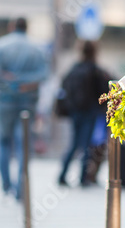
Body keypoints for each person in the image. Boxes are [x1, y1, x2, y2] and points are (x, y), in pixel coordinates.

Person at [0, 17, 48, 200]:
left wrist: (11, 81)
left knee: (4, 142)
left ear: (12, 26)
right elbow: (43, 75)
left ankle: (6, 186)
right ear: (27, 28)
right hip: (28, 102)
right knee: (24, 145)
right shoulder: (37, 49)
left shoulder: (2, 46)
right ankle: (20, 189)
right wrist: (24, 83)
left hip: (5, 101)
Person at [58, 41, 109, 187]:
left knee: (74, 144)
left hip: (75, 112)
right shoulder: (95, 70)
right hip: (90, 111)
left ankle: (62, 175)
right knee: (87, 145)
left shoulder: (74, 68)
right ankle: (83, 178)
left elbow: (64, 88)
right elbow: (104, 91)